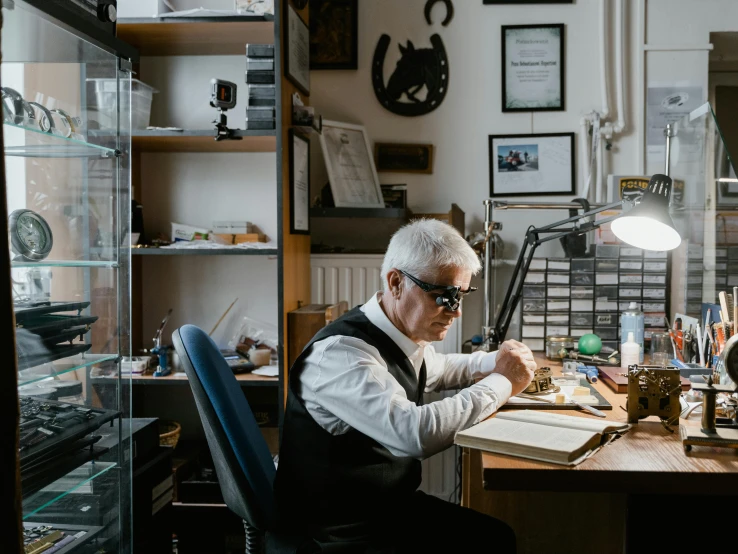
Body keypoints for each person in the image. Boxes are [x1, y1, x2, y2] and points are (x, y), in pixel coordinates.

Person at [274, 219, 536, 553]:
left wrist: (496, 360)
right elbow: (414, 433)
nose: (455, 312)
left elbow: (437, 369)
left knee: (492, 534)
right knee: (493, 539)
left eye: (462, 295)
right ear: (396, 282)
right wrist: (503, 381)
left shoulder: (396, 336)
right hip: (340, 529)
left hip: (381, 507)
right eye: (445, 296)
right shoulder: (340, 354)